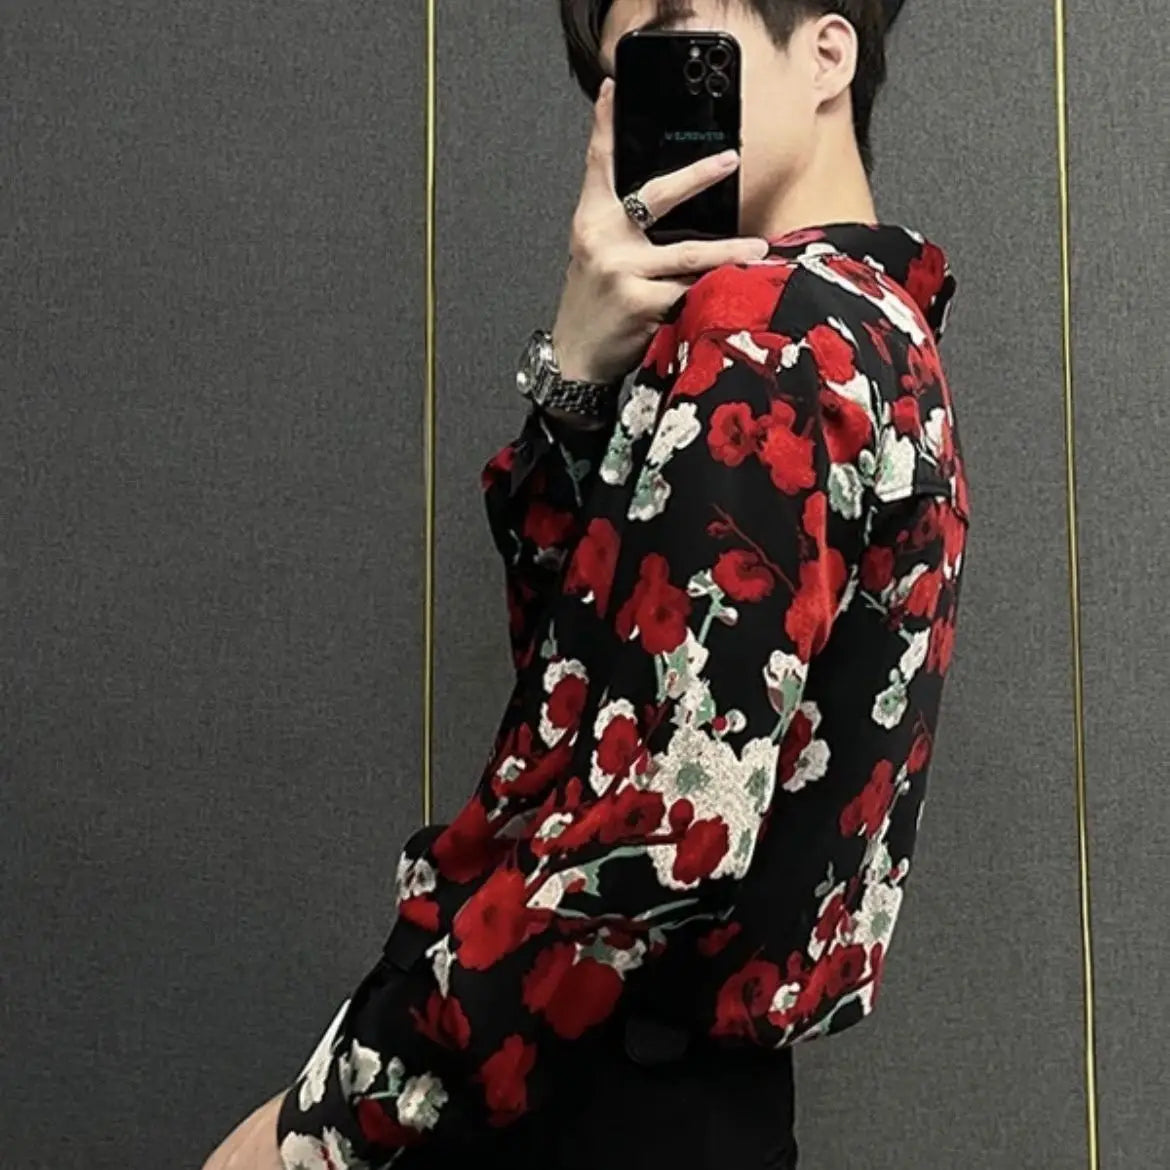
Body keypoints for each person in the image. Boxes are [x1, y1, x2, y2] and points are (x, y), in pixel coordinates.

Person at [202, 1, 968, 1167]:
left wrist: (339, 1118)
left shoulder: (758, 335)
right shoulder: (883, 333)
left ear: (827, 55)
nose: (641, 105)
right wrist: (576, 373)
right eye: (622, 78)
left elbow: (655, 836)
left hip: (573, 1091)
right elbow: (577, 674)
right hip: (698, 1105)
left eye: (680, 46)